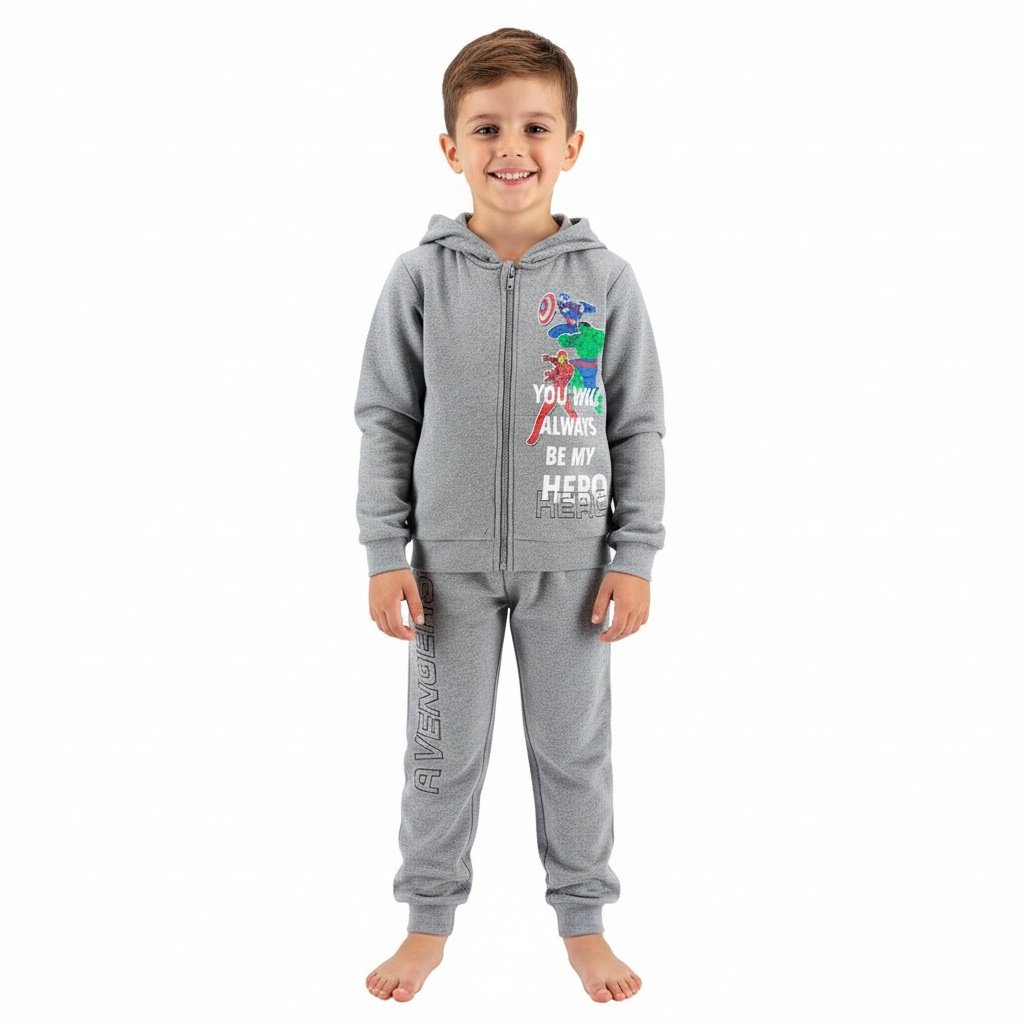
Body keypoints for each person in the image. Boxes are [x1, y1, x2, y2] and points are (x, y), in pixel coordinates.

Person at [354, 27, 666, 1004]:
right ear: (451, 146)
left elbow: (638, 425)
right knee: (441, 754)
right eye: (487, 127)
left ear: (572, 144)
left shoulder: (603, 281)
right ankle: (426, 921)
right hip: (444, 569)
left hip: (572, 566)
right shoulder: (418, 278)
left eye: (535, 126)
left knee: (573, 753)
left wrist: (635, 554)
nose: (511, 147)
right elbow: (387, 418)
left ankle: (584, 922)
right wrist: (384, 549)